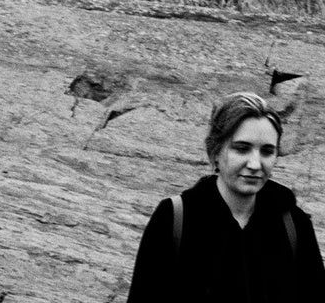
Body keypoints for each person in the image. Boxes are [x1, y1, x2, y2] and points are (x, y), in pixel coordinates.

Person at [127, 91, 325, 303]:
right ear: (215, 152)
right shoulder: (174, 218)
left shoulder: (294, 224)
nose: (255, 164)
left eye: (267, 151)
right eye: (242, 149)